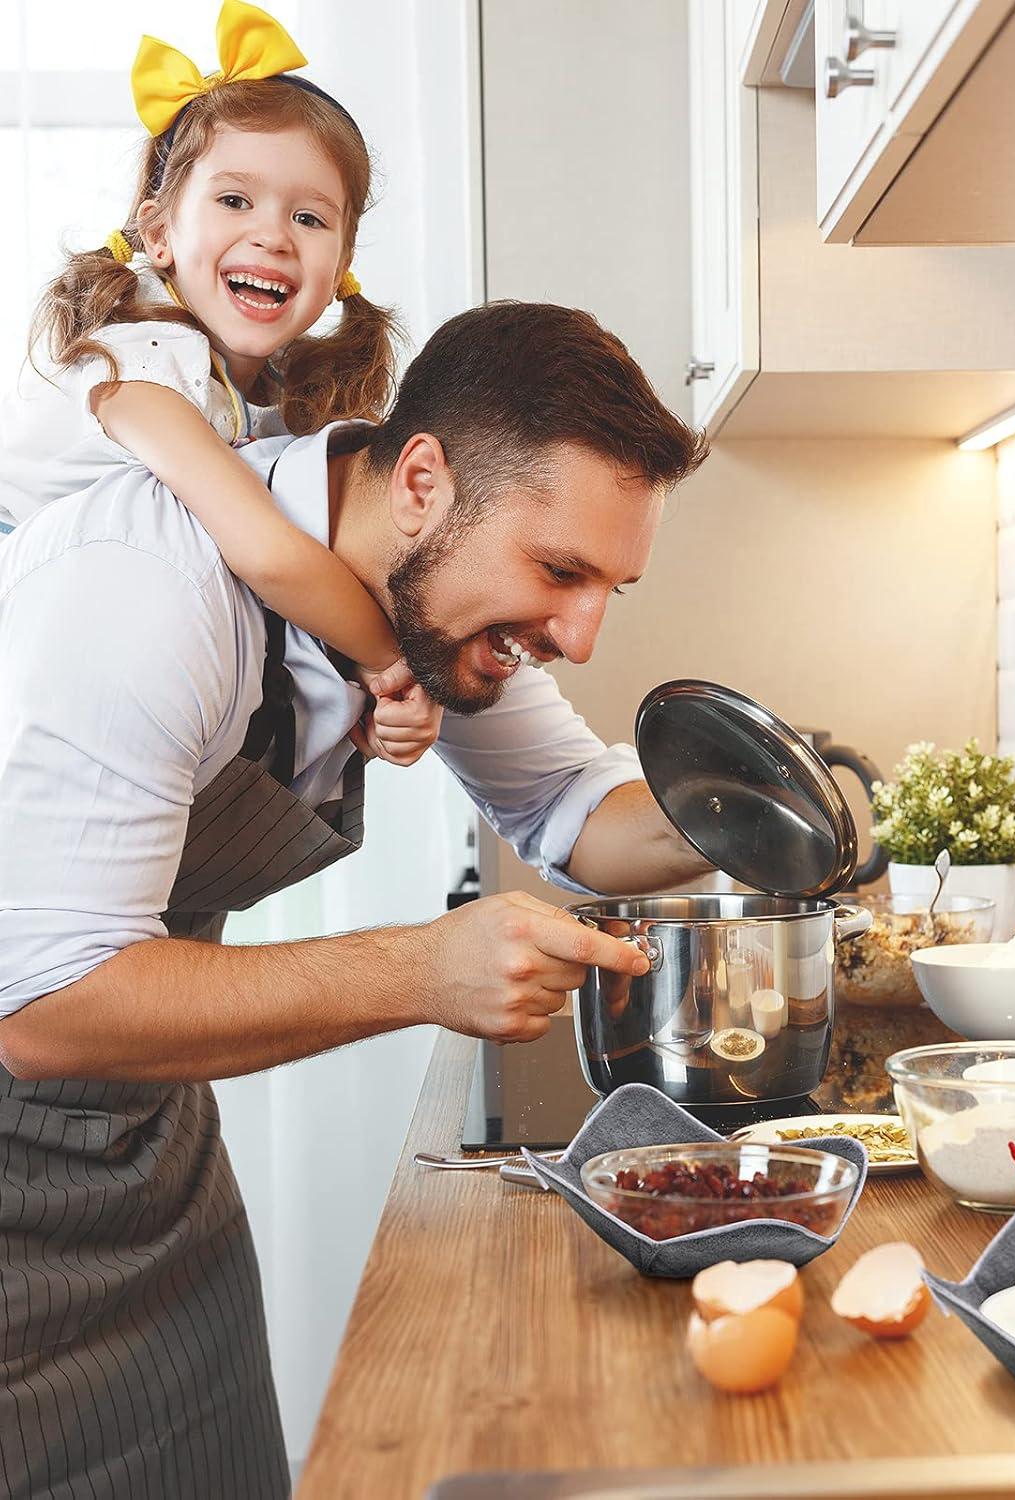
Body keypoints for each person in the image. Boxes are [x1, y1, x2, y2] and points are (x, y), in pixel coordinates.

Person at [0, 288, 713, 1495]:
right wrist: (423, 969)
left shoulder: (430, 622)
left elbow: (582, 818)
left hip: (147, 1154)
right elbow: (45, 1006)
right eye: (559, 571)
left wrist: (766, 808)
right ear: (423, 482)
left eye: (607, 590)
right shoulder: (151, 586)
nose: (581, 635)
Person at [0, 0, 441, 766]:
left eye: (309, 217)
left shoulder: (266, 407)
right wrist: (389, 663)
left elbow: (282, 590)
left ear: (339, 269)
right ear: (160, 233)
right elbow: (268, 556)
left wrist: (360, 701)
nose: (272, 233)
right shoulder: (135, 361)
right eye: (235, 200)